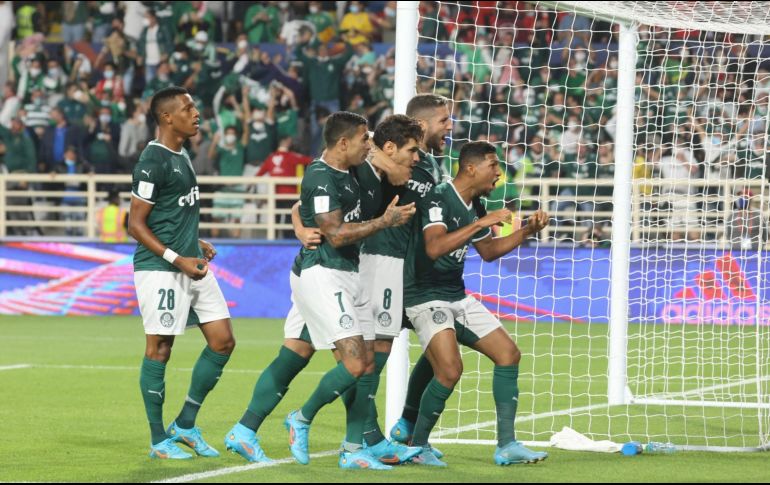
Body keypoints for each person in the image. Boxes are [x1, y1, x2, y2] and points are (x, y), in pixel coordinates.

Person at [224, 112, 416, 470]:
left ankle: (244, 430)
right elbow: (337, 233)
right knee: (357, 362)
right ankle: (306, 419)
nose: (368, 144)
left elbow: (302, 206)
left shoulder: (358, 167)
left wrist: (298, 223)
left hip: (343, 273)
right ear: (345, 143)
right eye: (364, 140)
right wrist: (384, 221)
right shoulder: (323, 174)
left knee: (295, 356)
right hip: (322, 274)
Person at [403, 141, 549, 466]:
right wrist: (480, 224)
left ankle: (507, 446)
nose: (498, 173)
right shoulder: (439, 196)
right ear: (471, 168)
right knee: (450, 369)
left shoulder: (476, 204)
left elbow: (489, 252)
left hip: (455, 294)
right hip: (424, 295)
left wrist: (527, 231)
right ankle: (418, 445)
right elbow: (434, 247)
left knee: (508, 354)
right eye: (493, 166)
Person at [129, 86, 235, 459]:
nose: (197, 113)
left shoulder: (183, 154)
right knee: (160, 349)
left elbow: (173, 212)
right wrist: (178, 257)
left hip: (191, 261)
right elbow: (135, 224)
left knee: (223, 341)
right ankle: (159, 440)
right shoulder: (152, 161)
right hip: (161, 269)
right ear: (167, 118)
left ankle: (185, 424)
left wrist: (197, 240)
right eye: (188, 108)